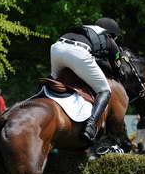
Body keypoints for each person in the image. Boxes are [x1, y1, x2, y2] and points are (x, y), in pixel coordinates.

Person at [51, 17, 122, 145]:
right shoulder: (109, 39)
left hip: (57, 48)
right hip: (78, 53)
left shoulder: (85, 29)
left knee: (52, 82)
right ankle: (90, 126)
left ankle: (35, 98)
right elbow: (117, 70)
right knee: (105, 90)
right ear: (112, 34)